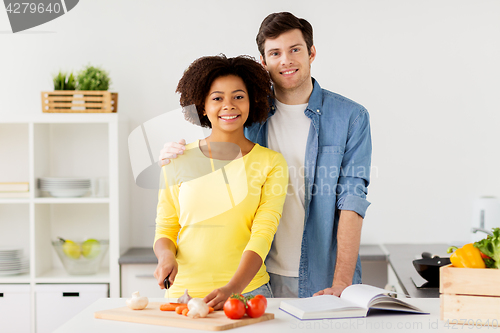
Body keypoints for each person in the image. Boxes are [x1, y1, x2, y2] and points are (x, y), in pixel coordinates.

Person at [159, 12, 372, 298]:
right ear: (264, 62)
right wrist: (175, 152)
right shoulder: (248, 111)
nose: (286, 60)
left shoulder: (350, 117)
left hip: (324, 275)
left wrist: (342, 283)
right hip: (257, 275)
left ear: (311, 53)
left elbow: (352, 200)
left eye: (295, 50)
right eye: (275, 53)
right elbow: (215, 144)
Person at [153, 54, 288, 310]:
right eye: (217, 98)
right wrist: (166, 256)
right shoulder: (177, 159)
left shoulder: (271, 163)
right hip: (183, 294)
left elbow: (263, 233)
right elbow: (166, 228)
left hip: (247, 293)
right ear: (202, 106)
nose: (229, 105)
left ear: (251, 102)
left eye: (238, 96)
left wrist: (233, 288)